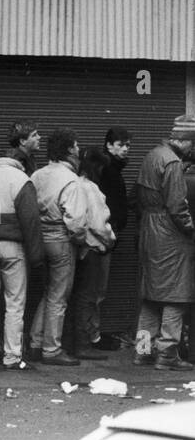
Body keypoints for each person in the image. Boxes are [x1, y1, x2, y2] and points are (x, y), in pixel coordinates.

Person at [0, 143, 45, 370]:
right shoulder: (21, 179)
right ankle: (12, 356)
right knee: (14, 303)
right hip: (13, 247)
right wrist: (36, 257)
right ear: (19, 163)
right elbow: (31, 221)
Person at [133, 117, 195, 372]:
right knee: (176, 294)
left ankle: (143, 351)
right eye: (192, 144)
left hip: (149, 228)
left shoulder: (152, 155)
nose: (193, 150)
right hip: (169, 234)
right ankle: (167, 353)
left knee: (150, 296)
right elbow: (177, 205)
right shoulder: (172, 162)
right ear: (184, 141)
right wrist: (191, 229)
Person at [28, 129, 89, 367]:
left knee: (47, 292)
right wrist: (81, 242)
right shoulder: (71, 180)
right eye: (75, 146)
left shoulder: (37, 175)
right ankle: (51, 349)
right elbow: (76, 221)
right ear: (69, 151)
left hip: (38, 239)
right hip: (61, 240)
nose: (78, 151)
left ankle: (35, 342)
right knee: (58, 296)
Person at [65, 146, 118, 360]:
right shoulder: (91, 189)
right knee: (89, 296)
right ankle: (83, 343)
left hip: (78, 248)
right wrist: (110, 240)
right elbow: (99, 223)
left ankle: (72, 342)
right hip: (94, 249)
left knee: (77, 296)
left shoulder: (74, 184)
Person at [92, 127, 131, 351]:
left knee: (96, 288)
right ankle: (92, 336)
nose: (125, 149)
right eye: (121, 144)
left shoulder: (110, 169)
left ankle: (92, 334)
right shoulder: (108, 170)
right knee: (97, 289)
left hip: (106, 234)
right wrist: (111, 231)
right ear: (108, 145)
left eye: (127, 145)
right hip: (104, 237)